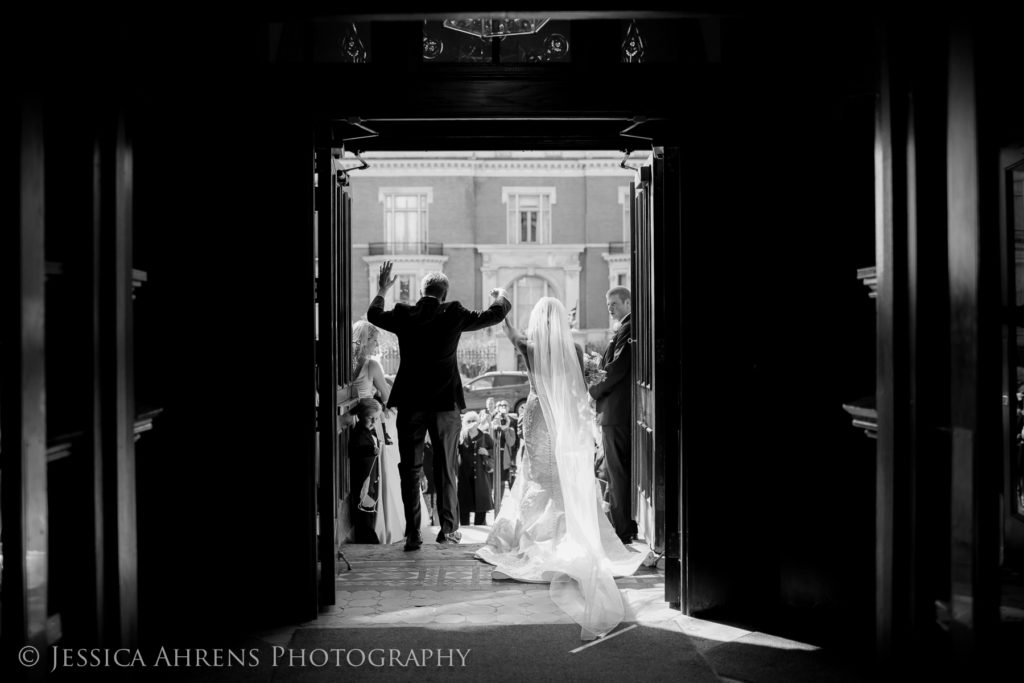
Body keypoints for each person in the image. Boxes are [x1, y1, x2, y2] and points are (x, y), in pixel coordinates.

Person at [475, 297, 646, 641]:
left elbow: (507, 330)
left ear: (538, 320)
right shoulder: (578, 348)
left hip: (538, 417)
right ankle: (572, 533)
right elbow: (581, 388)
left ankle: (537, 536)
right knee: (561, 479)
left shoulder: (529, 346)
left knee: (537, 477)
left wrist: (500, 302)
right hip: (564, 421)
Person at [367, 261, 511, 550]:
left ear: (422, 292)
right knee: (447, 467)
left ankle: (413, 534)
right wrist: (500, 294)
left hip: (410, 402)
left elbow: (373, 315)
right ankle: (448, 529)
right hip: (445, 404)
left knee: (409, 468)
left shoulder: (405, 313)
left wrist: (383, 288)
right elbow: (495, 315)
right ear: (444, 294)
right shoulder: (454, 313)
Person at [350, 319, 428, 544]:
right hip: (371, 424)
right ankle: (387, 523)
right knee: (380, 474)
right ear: (366, 341)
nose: (376, 346)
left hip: (352, 425)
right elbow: (387, 397)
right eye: (374, 341)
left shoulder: (344, 364)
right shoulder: (372, 365)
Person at [588, 286, 637, 545]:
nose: (610, 309)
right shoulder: (625, 326)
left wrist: (593, 389)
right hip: (615, 411)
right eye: (607, 304)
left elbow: (617, 368)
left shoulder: (629, 327)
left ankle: (623, 528)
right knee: (615, 471)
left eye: (614, 304)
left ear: (628, 302)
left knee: (617, 473)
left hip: (616, 411)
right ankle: (624, 523)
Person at [348, 399, 383, 543]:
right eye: (370, 418)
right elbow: (355, 450)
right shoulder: (359, 433)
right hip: (362, 478)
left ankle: (369, 535)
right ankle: (368, 538)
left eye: (376, 418)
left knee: (369, 507)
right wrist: (370, 450)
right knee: (364, 509)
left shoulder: (367, 430)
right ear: (361, 416)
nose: (374, 421)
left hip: (369, 477)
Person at [457, 411, 495, 525]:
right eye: (469, 421)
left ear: (478, 422)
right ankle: (464, 528)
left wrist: (487, 451)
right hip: (464, 475)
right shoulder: (461, 436)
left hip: (481, 474)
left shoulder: (485, 436)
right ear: (464, 423)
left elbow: (495, 451)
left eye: (474, 421)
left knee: (481, 502)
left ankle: (480, 527)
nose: (472, 423)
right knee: (464, 504)